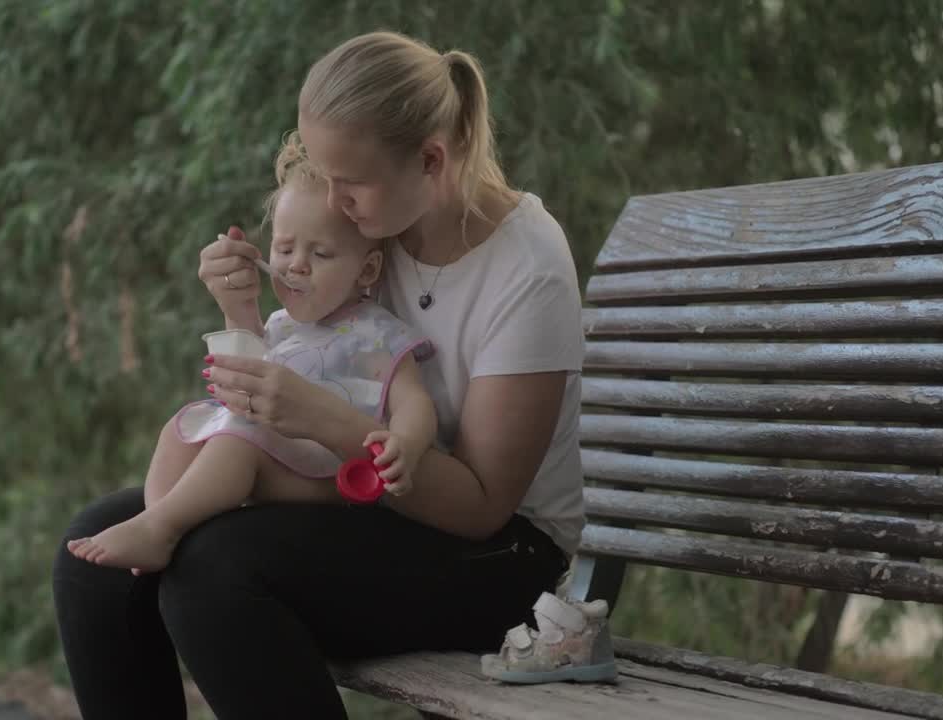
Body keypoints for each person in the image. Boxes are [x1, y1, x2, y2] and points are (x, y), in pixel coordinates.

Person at [52, 31, 594, 719]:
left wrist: (328, 422)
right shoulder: (373, 229)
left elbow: (484, 504)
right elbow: (288, 360)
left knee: (216, 571)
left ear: (431, 160)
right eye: (322, 172)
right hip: (369, 506)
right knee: (93, 556)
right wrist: (238, 304)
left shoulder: (526, 267)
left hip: (507, 556)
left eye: (349, 183)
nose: (333, 201)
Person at [64, 143, 436, 574]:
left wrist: (405, 443)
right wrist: (238, 307)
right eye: (284, 249)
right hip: (271, 459)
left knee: (237, 440)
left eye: (321, 254)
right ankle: (163, 527)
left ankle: (160, 528)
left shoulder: (378, 331)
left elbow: (415, 402)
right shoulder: (279, 325)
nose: (297, 266)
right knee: (180, 430)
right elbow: (238, 388)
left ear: (367, 271)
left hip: (329, 477)